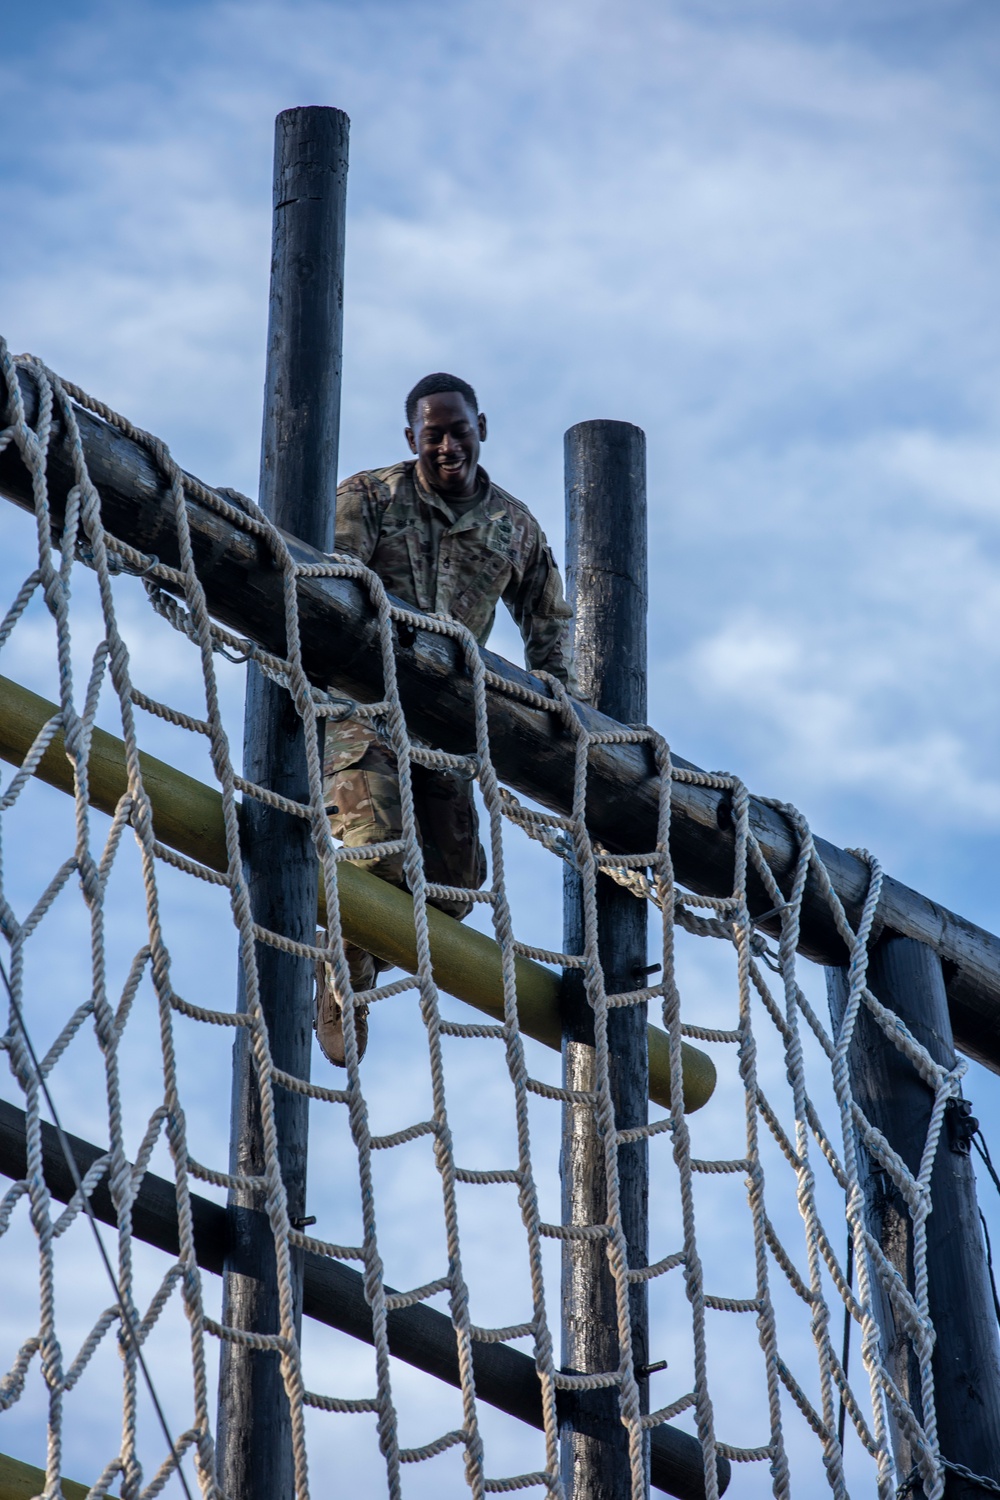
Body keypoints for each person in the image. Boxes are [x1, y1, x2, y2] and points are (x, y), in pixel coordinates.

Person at [316, 372, 576, 1065]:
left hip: (443, 723)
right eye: (433, 435)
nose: (448, 445)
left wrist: (558, 705)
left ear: (480, 428)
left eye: (459, 430)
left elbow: (549, 623)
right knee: (378, 854)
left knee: (453, 890)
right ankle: (343, 977)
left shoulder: (512, 527)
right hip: (361, 708)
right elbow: (323, 590)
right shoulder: (370, 498)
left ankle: (362, 947)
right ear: (412, 440)